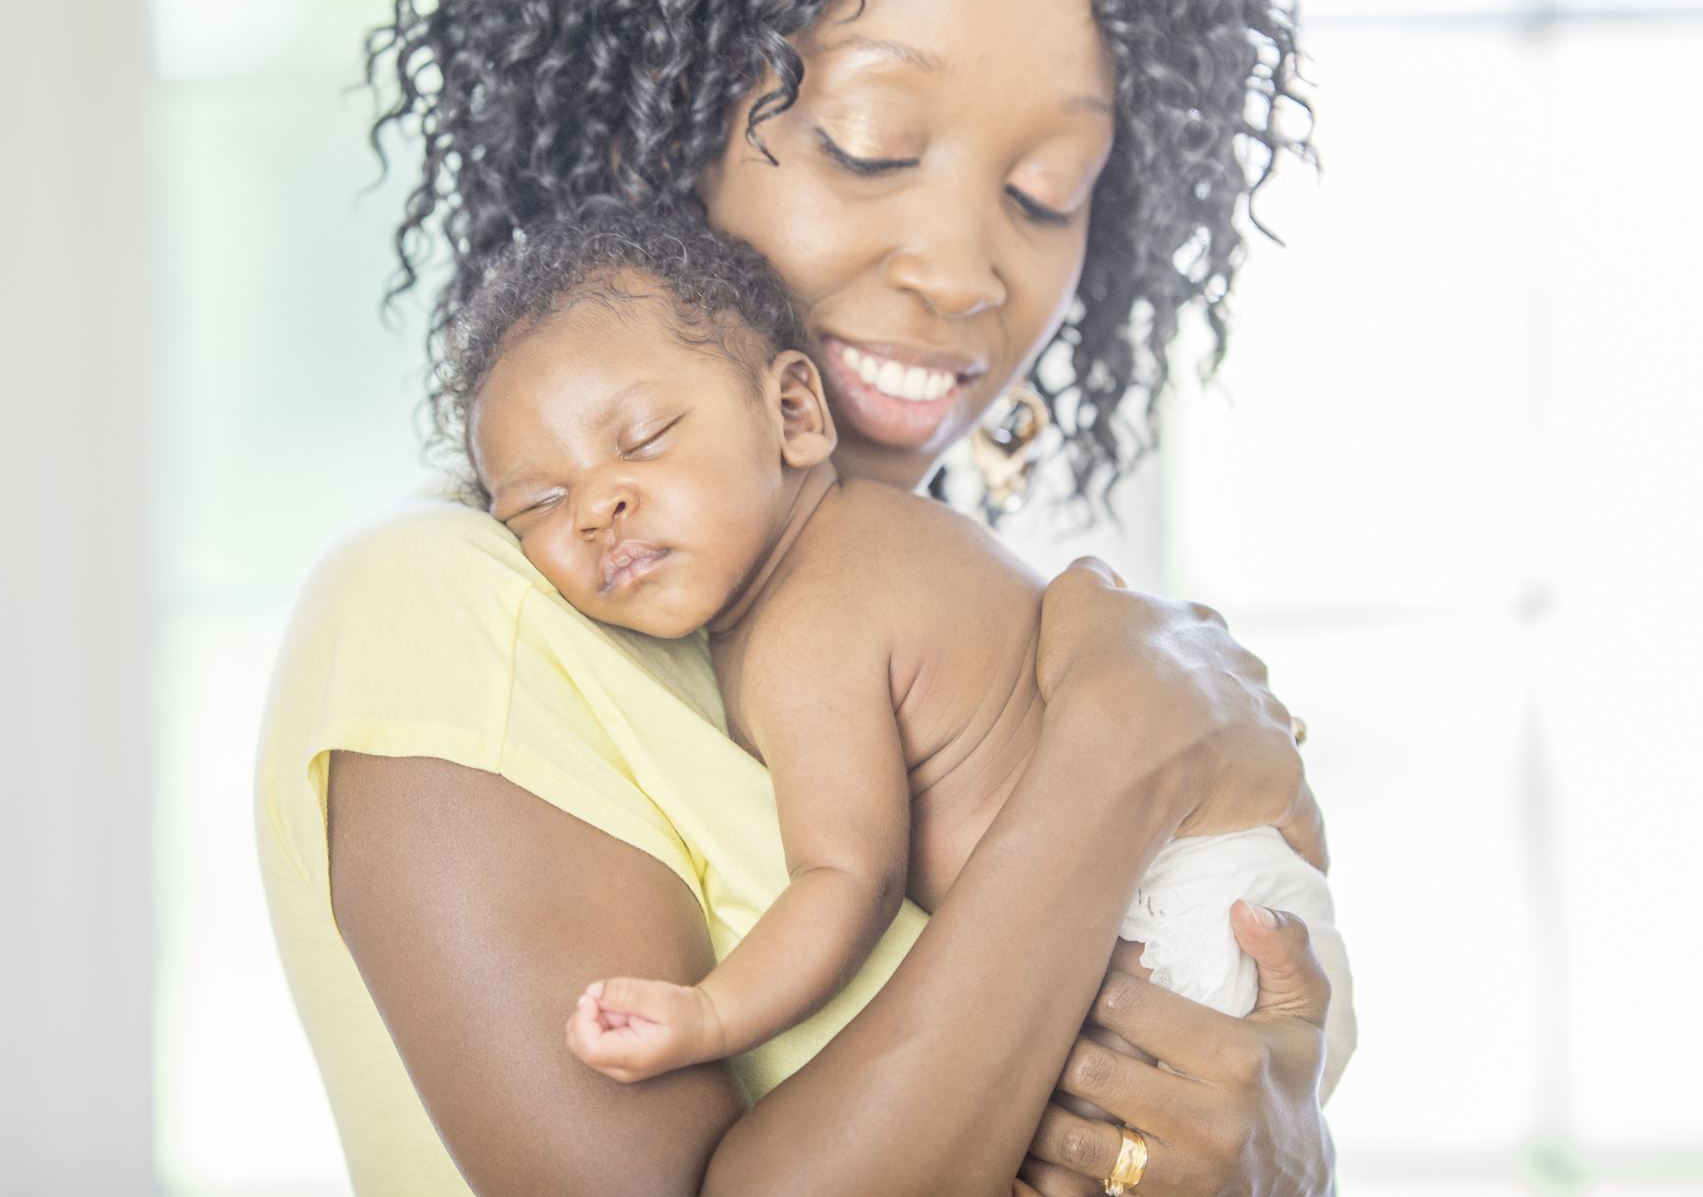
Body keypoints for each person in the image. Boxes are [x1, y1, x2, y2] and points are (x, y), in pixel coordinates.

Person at [257, 0, 1336, 1193]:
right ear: (648, 122)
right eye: (867, 145)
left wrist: (1273, 1156)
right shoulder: (450, 608)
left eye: (1045, 189)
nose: (961, 270)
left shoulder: (951, 627)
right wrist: (1115, 757)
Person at [446, 212, 1355, 1095]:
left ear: (793, 411)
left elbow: (850, 876)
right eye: (535, 504)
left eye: (642, 441)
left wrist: (709, 1014)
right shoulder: (875, 539)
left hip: (1184, 928)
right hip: (1236, 905)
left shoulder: (809, 619)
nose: (594, 508)